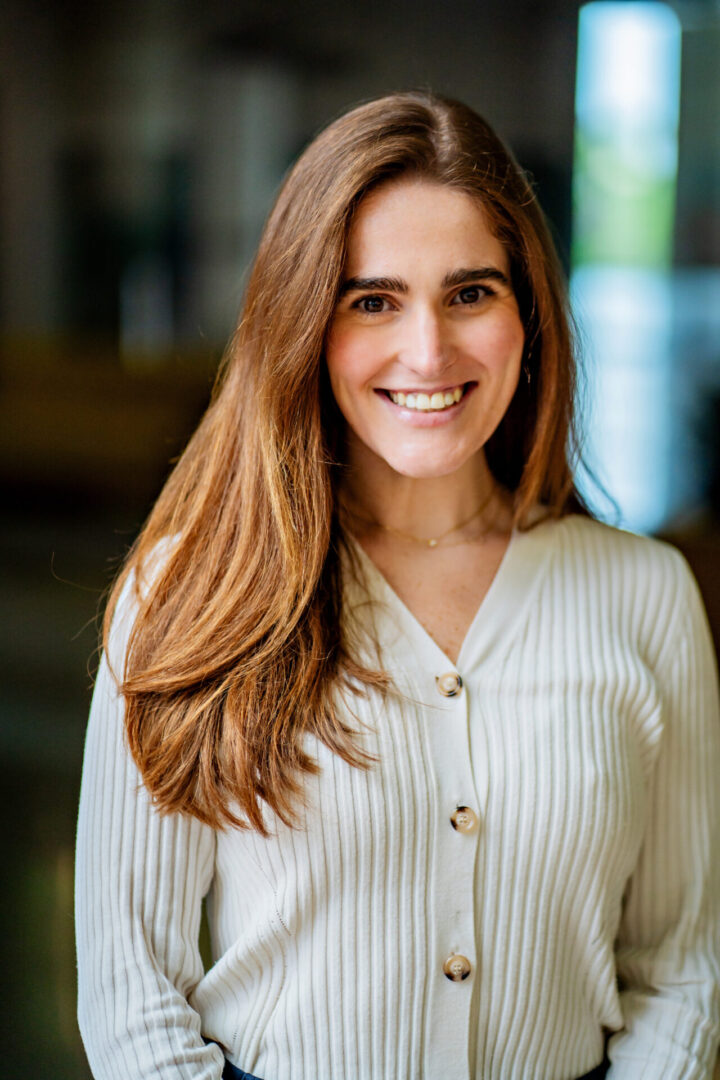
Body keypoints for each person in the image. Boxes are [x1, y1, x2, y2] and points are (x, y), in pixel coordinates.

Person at [75, 91, 720, 1080]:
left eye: (471, 293)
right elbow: (132, 991)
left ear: (529, 312)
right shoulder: (182, 597)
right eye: (372, 299)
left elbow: (680, 970)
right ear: (306, 323)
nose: (428, 351)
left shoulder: (647, 597)